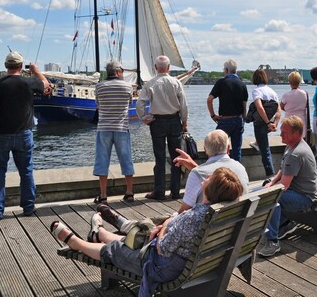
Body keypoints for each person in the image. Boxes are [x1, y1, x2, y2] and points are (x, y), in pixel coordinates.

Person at [50, 167, 244, 296]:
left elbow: (164, 248)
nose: (206, 178)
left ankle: (75, 242)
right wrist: (164, 227)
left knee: (116, 248)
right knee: (137, 237)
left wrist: (163, 229)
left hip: (165, 265)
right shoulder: (219, 213)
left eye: (210, 178)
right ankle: (99, 232)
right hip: (193, 260)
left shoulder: (193, 218)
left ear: (211, 191)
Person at [0, 52, 49, 220]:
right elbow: (46, 85)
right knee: (26, 171)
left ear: (6, 66)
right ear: (20, 66)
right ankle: (28, 208)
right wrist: (36, 70)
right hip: (24, 134)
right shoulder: (30, 82)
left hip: (0, 135)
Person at [257, 116, 317, 257]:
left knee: (271, 198)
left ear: (296, 133)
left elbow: (283, 186)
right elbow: (282, 169)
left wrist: (269, 190)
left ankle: (272, 242)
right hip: (300, 191)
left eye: (285, 132)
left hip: (305, 198)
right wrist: (271, 183)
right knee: (268, 187)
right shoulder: (292, 146)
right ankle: (284, 224)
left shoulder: (295, 154)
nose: (281, 135)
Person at [136, 55, 189, 201]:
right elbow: (183, 105)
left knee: (159, 158)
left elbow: (140, 103)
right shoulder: (176, 83)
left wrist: (144, 118)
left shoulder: (150, 83)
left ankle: (159, 192)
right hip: (174, 121)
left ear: (155, 67)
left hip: (157, 122)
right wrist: (184, 122)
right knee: (176, 158)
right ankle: (175, 192)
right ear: (169, 67)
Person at [171, 129, 249, 213]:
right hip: (239, 221)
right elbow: (219, 178)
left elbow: (184, 211)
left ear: (205, 150)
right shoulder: (240, 167)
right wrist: (196, 168)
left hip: (209, 224)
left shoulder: (197, 174)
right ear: (228, 148)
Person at [93, 60, 134, 204]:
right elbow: (129, 103)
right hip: (121, 128)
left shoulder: (99, 87)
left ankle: (103, 195)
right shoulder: (128, 86)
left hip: (103, 128)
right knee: (126, 158)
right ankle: (129, 192)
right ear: (118, 72)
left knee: (102, 161)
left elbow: (98, 104)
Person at [207, 59, 248, 161]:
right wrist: (243, 119)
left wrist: (213, 115)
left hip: (224, 120)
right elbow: (244, 104)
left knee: (217, 148)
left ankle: (219, 171)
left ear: (226, 70)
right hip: (238, 119)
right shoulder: (242, 84)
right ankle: (236, 173)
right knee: (237, 149)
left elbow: (209, 100)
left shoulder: (221, 82)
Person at [250, 68, 281, 176]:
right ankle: (256, 143)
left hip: (261, 123)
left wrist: (267, 123)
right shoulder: (272, 91)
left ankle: (271, 176)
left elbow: (259, 107)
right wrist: (275, 124)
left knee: (265, 152)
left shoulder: (256, 91)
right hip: (270, 121)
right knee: (263, 143)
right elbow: (278, 110)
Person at [280, 71, 309, 138]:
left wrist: (288, 109)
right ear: (299, 81)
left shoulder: (286, 95)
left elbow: (281, 106)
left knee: (289, 139)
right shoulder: (305, 94)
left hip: (289, 121)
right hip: (302, 121)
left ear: (289, 82)